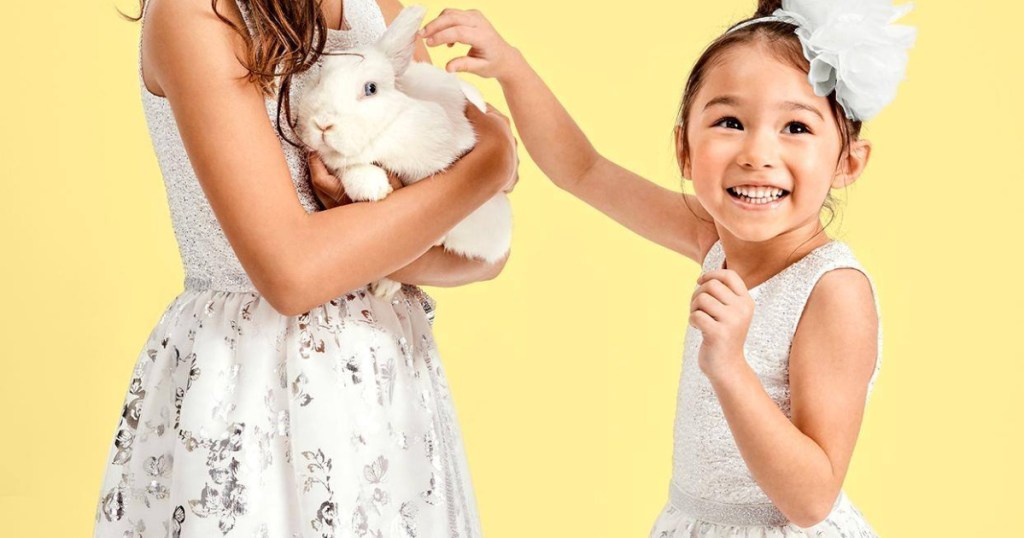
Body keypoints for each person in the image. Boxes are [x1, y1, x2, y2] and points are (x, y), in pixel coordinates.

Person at [418, 0, 914, 534]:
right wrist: (511, 67)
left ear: (847, 162)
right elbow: (583, 170)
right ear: (684, 148)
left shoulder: (833, 290)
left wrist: (729, 367)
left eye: (795, 127)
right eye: (730, 122)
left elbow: (812, 499)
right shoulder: (711, 236)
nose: (757, 153)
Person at [93, 0, 518, 535]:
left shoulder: (379, 9)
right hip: (251, 385)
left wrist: (370, 234)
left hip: (387, 393)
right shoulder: (196, 13)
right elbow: (291, 273)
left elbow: (481, 251)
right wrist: (493, 161)